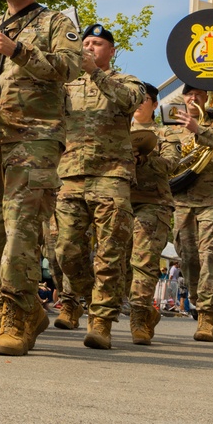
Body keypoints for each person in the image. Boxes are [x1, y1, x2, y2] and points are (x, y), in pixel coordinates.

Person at [0, 0, 82, 356]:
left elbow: (69, 69)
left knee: (21, 228)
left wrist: (16, 49)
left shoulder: (56, 22)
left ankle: (17, 316)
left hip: (35, 136)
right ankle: (30, 307)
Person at [54, 23, 145, 350]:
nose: (89, 48)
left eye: (96, 44)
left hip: (112, 176)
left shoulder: (126, 81)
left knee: (110, 253)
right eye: (86, 43)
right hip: (72, 174)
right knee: (65, 251)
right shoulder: (66, 86)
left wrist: (96, 74)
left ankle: (101, 320)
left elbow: (129, 102)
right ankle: (90, 293)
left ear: (111, 51)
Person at [172, 84, 213, 343]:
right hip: (181, 200)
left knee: (210, 256)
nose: (194, 98)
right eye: (189, 94)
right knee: (188, 258)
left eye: (199, 94)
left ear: (206, 97)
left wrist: (198, 130)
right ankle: (196, 302)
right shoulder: (171, 123)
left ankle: (207, 317)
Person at [127, 83, 181, 345]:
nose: (139, 103)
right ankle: (147, 312)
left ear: (155, 105)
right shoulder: (117, 130)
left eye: (145, 98)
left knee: (145, 262)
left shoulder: (166, 134)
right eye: (135, 97)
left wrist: (144, 158)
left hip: (153, 203)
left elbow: (170, 164)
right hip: (118, 201)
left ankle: (138, 319)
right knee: (114, 264)